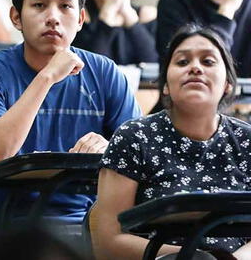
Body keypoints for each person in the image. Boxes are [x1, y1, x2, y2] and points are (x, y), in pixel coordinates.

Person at [0, 0, 141, 251]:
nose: (53, 17)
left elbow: (138, 159)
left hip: (87, 225)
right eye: (39, 5)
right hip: (5, 231)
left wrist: (109, 147)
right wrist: (47, 77)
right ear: (16, 17)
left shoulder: (106, 72)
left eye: (65, 6)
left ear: (81, 18)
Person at [96, 25, 251, 259]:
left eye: (208, 62)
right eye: (182, 62)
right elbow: (106, 241)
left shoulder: (247, 140)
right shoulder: (134, 137)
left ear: (228, 84)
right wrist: (195, 257)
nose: (196, 68)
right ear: (166, 85)